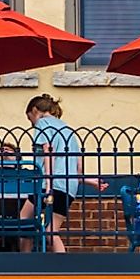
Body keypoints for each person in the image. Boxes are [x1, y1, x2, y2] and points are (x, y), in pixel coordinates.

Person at [26, 93, 89, 253]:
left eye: (30, 120)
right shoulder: (68, 129)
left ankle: (23, 262)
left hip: (49, 183)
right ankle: (63, 267)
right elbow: (78, 167)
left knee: (23, 220)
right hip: (69, 186)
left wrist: (48, 183)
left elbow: (48, 151)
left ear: (34, 111)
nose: (32, 125)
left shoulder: (42, 123)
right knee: (51, 231)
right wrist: (92, 181)